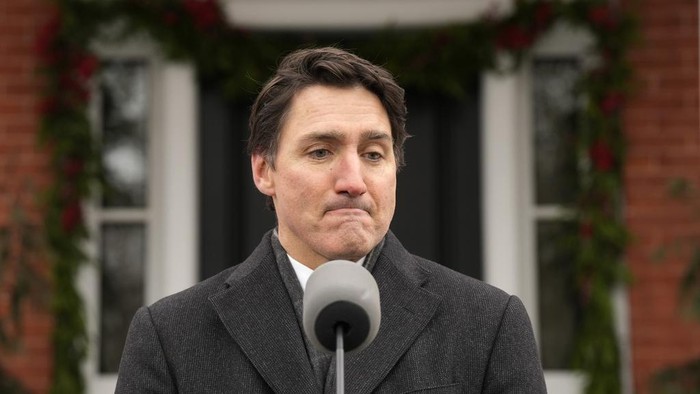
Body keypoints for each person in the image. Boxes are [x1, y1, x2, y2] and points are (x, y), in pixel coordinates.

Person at [116, 47, 547, 393]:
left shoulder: (489, 325)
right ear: (264, 170)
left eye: (373, 154)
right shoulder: (169, 337)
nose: (353, 181)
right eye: (321, 152)